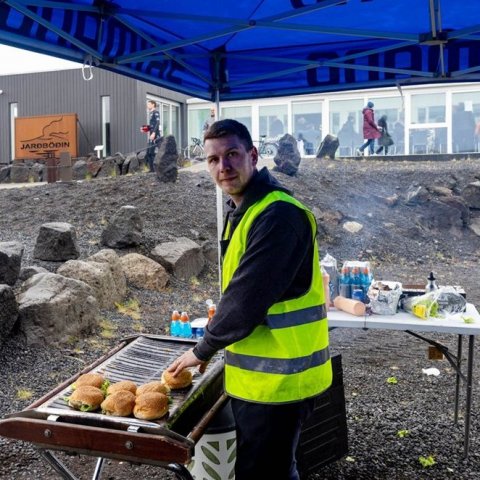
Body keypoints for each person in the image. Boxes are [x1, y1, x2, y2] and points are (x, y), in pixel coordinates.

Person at [167, 119, 332, 480]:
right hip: (262, 381)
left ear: (252, 156)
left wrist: (201, 350)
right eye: (213, 159)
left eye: (232, 155)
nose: (223, 167)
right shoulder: (245, 208)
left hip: (281, 384)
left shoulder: (278, 214)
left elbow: (246, 299)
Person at [141, 100, 161, 172]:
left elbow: (157, 123)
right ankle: (151, 169)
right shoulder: (150, 113)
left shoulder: (156, 112)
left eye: (149, 104)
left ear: (153, 105)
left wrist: (154, 133)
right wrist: (145, 129)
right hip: (151, 135)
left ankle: (155, 169)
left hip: (155, 136)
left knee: (152, 152)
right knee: (149, 152)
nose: (147, 105)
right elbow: (152, 125)